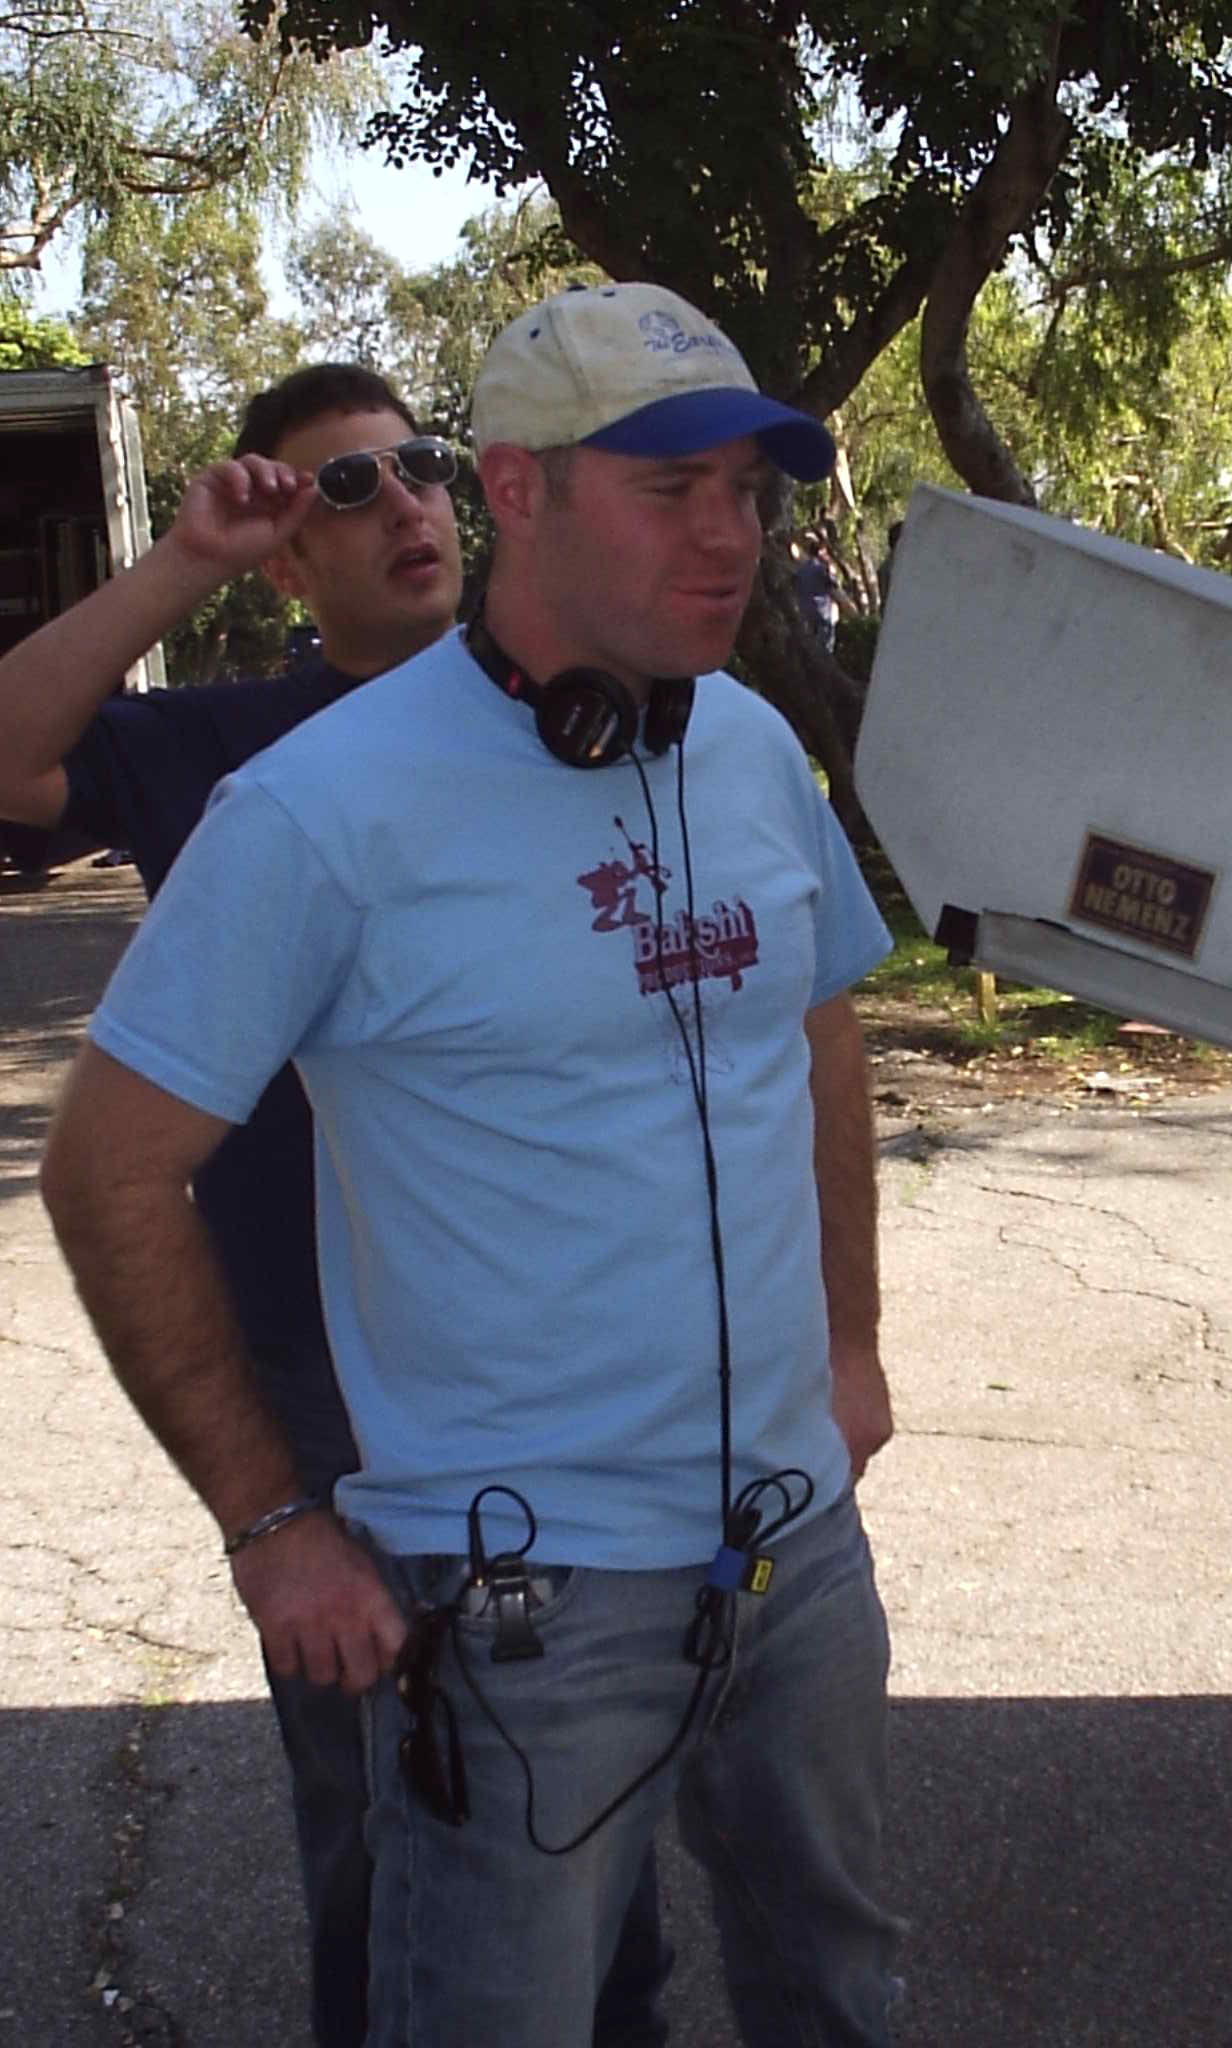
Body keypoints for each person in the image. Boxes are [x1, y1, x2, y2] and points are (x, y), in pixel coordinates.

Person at [39, 280, 902, 2046]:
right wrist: (275, 1524)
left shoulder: (741, 743)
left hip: (794, 1552)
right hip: (523, 1603)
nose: (730, 532)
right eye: (671, 489)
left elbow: (816, 1032)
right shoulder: (318, 806)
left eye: (751, 487)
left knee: (836, 1983)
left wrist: (852, 1346)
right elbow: (105, 1169)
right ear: (515, 489)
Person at [0, 363, 670, 2048]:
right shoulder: (228, 744)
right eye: (342, 491)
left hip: (548, 1349)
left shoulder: (576, 713)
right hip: (316, 1361)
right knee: (382, 1789)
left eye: (420, 467)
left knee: (595, 1770)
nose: (404, 505)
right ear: (290, 565)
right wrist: (185, 564)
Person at [792, 525, 847, 649]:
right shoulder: (821, 569)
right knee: (825, 649)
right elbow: (834, 586)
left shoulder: (801, 569)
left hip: (805, 613)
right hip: (822, 615)